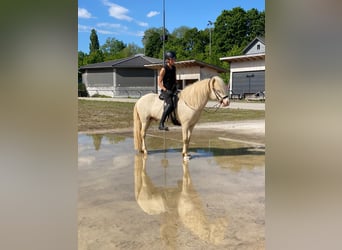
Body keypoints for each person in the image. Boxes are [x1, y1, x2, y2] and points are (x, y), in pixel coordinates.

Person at [158, 51, 180, 131]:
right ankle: (161, 124)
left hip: (173, 89)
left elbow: (174, 79)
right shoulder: (163, 69)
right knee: (170, 104)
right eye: (173, 59)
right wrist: (166, 90)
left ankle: (175, 120)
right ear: (168, 60)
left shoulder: (174, 68)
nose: (174, 60)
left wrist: (177, 85)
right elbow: (159, 82)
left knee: (179, 101)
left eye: (174, 59)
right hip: (166, 90)